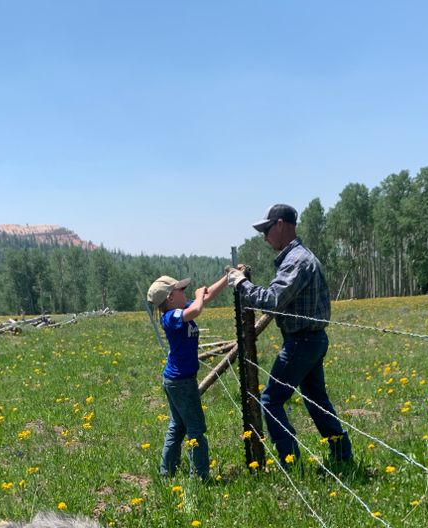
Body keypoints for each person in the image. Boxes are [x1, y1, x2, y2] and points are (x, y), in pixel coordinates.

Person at [227, 203, 352, 468]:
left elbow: (272, 300)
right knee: (316, 400)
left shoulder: (295, 261)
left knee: (271, 399)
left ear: (281, 225)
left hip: (301, 342)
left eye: (267, 229)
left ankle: (290, 461)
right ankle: (342, 456)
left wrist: (241, 283)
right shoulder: (301, 257)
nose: (265, 237)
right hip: (312, 340)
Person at [147, 272, 230, 480]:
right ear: (170, 297)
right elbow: (196, 309)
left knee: (178, 426)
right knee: (196, 429)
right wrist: (199, 295)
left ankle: (167, 471)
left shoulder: (180, 310)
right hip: (181, 382)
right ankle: (200, 476)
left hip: (178, 380)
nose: (185, 293)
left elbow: (206, 297)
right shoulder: (170, 317)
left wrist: (228, 277)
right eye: (181, 290)